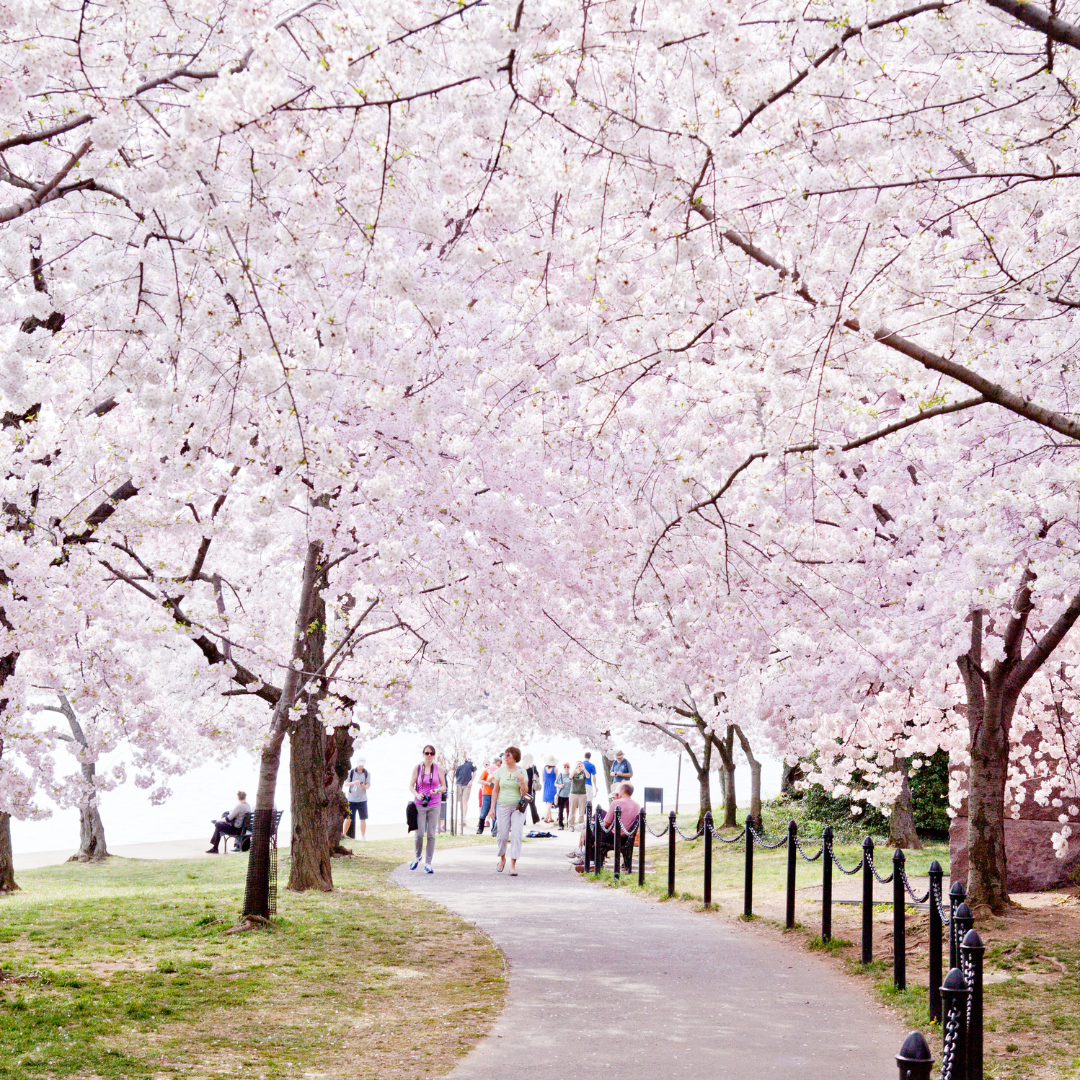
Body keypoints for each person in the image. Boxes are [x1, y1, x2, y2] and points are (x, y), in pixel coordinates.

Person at [492, 745, 528, 875]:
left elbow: (525, 792)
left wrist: (522, 780)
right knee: (502, 835)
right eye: (504, 754)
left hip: (518, 806)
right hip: (502, 805)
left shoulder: (522, 771)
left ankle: (513, 864)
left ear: (515, 757)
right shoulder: (500, 771)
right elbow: (495, 790)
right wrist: (492, 808)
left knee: (516, 834)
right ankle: (502, 859)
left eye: (508, 754)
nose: (505, 757)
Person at [409, 745, 446, 873]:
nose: (429, 756)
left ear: (434, 755)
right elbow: (411, 786)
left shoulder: (438, 768)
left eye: (431, 753)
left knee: (431, 834)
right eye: (427, 753)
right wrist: (417, 794)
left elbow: (444, 786)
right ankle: (418, 856)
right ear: (423, 754)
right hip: (420, 803)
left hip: (434, 803)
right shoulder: (418, 768)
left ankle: (428, 863)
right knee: (419, 833)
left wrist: (437, 790)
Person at [601, 782, 641, 873]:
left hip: (614, 837)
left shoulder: (616, 803)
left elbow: (606, 823)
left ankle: (590, 861)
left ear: (622, 791)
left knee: (592, 833)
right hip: (627, 838)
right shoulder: (637, 805)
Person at [343, 757, 370, 840]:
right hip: (351, 799)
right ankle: (343, 835)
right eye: (359, 764)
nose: (360, 766)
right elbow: (346, 783)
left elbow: (368, 786)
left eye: (362, 765)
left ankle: (363, 836)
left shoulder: (366, 773)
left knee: (363, 818)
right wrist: (353, 783)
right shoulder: (351, 772)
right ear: (357, 763)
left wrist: (362, 785)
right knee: (348, 818)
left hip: (362, 800)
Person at [455, 756, 476, 831]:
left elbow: (474, 771)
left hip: (467, 784)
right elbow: (453, 771)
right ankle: (461, 817)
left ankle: (463, 818)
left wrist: (471, 781)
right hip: (458, 784)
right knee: (460, 802)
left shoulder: (470, 762)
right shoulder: (457, 761)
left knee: (465, 801)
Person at [476, 761, 496, 834]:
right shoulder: (486, 771)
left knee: (495, 811)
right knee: (484, 810)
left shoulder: (500, 771)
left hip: (496, 794)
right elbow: (479, 780)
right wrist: (488, 783)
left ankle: (494, 829)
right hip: (487, 793)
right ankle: (480, 828)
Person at [568, 761, 588, 828]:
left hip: (582, 793)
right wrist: (575, 768)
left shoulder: (583, 773)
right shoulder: (574, 772)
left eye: (580, 765)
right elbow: (570, 777)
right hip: (574, 793)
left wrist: (584, 769)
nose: (579, 766)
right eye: (578, 765)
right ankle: (571, 826)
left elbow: (588, 776)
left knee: (581, 811)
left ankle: (580, 825)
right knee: (572, 810)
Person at [541, 756, 558, 823]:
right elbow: (557, 779)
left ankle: (550, 817)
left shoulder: (543, 768)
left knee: (548, 802)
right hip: (553, 785)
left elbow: (542, 779)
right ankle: (546, 817)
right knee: (550, 802)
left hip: (546, 785)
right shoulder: (555, 769)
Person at [555, 762, 571, 829]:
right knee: (560, 810)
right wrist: (559, 786)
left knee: (569, 811)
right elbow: (555, 783)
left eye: (567, 767)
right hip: (561, 795)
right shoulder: (560, 775)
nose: (566, 768)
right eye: (565, 767)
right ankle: (560, 825)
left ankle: (569, 824)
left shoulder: (570, 775)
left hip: (569, 795)